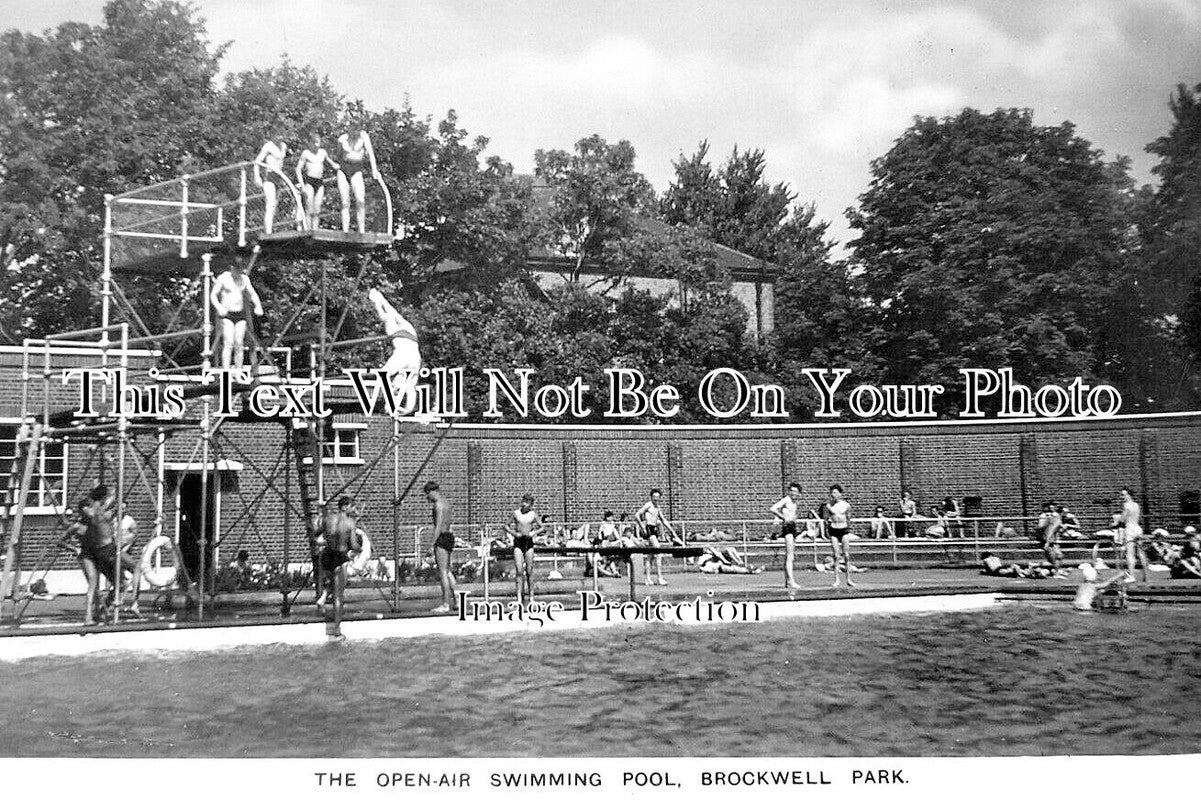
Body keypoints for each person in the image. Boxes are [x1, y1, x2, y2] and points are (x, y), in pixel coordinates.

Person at [79, 485, 141, 624]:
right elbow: (114, 500)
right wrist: (115, 486)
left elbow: (107, 501)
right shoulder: (102, 513)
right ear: (103, 498)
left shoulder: (91, 511)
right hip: (108, 550)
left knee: (107, 583)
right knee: (135, 568)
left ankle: (95, 613)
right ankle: (133, 603)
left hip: (97, 551)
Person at [367, 287, 421, 414]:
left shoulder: (394, 328)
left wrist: (377, 302)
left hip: (403, 354)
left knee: (384, 376)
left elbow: (388, 315)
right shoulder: (407, 327)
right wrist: (382, 300)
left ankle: (392, 404)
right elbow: (394, 312)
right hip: (414, 357)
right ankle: (400, 406)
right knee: (406, 383)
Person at [210, 257, 264, 371]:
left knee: (239, 343)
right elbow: (213, 295)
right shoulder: (224, 278)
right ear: (232, 268)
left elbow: (252, 294)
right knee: (228, 342)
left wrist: (258, 306)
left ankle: (238, 371)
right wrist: (219, 307)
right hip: (227, 315)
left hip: (240, 315)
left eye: (240, 270)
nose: (238, 272)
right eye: (237, 269)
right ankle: (226, 371)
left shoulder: (244, 279)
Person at [317, 496, 363, 618]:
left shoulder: (327, 519)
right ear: (344, 507)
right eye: (351, 506)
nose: (353, 509)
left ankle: (322, 599)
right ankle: (337, 630)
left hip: (327, 554)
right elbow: (353, 545)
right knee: (339, 593)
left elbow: (317, 533)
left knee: (332, 581)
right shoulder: (349, 523)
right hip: (340, 556)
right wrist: (359, 549)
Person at [336, 130, 381, 233]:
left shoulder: (364, 137)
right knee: (345, 202)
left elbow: (370, 153)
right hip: (344, 168)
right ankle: (345, 231)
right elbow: (338, 156)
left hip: (357, 168)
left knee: (360, 200)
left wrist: (374, 170)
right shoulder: (342, 139)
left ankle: (361, 230)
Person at [424, 481, 457, 612]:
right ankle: (457, 600)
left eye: (427, 494)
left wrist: (431, 545)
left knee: (442, 572)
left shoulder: (438, 505)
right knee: (448, 572)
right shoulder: (446, 503)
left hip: (442, 537)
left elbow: (438, 526)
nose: (427, 498)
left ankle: (445, 603)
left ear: (432, 491)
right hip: (449, 536)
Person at [295, 134, 339, 230]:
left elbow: (329, 161)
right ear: (310, 143)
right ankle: (308, 230)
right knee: (309, 207)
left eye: (317, 143)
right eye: (313, 143)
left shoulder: (322, 152)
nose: (315, 145)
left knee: (317, 208)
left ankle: (315, 230)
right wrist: (302, 186)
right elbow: (298, 169)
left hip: (319, 182)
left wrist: (334, 165)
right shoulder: (306, 153)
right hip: (309, 181)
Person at [635, 488, 677, 587]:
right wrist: (643, 528)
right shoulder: (648, 505)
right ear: (651, 497)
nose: (656, 499)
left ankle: (648, 579)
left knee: (650, 556)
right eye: (654, 497)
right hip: (649, 529)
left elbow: (663, 520)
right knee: (658, 552)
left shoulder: (658, 507)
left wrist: (672, 531)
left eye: (658, 497)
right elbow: (637, 515)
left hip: (654, 530)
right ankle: (659, 578)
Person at [506, 493, 543, 603]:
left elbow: (542, 527)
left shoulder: (533, 514)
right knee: (519, 570)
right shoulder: (516, 513)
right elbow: (506, 525)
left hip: (528, 542)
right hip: (518, 542)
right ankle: (518, 596)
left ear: (530, 504)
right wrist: (514, 533)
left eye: (527, 502)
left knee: (529, 570)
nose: (524, 504)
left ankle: (531, 596)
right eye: (523, 501)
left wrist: (534, 532)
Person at [769, 482, 804, 590]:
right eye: (791, 491)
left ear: (799, 493)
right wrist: (783, 517)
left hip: (792, 527)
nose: (793, 493)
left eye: (795, 491)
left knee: (790, 555)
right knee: (790, 556)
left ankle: (787, 581)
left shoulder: (795, 502)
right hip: (787, 527)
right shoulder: (786, 500)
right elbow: (773, 508)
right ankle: (791, 581)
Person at [252, 138, 288, 235]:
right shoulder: (268, 146)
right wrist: (257, 177)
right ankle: (268, 232)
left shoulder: (283, 146)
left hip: (278, 177)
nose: (280, 136)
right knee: (270, 204)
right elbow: (257, 162)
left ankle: (270, 228)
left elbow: (281, 163)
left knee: (274, 206)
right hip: (269, 176)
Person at [823, 484, 855, 588]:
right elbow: (826, 519)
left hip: (843, 529)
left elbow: (849, 518)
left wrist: (847, 527)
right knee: (836, 556)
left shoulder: (846, 505)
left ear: (840, 494)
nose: (833, 495)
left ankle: (848, 579)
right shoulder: (828, 505)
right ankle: (837, 580)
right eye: (832, 493)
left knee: (846, 555)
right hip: (834, 530)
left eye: (835, 492)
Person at [1117, 487, 1145, 582]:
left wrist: (1118, 520)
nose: (1122, 497)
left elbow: (1122, 519)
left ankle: (1132, 576)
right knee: (1141, 552)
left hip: (1130, 529)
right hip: (1138, 528)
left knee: (1130, 554)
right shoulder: (1137, 505)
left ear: (1129, 495)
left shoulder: (1126, 505)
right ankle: (1146, 574)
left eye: (1124, 495)